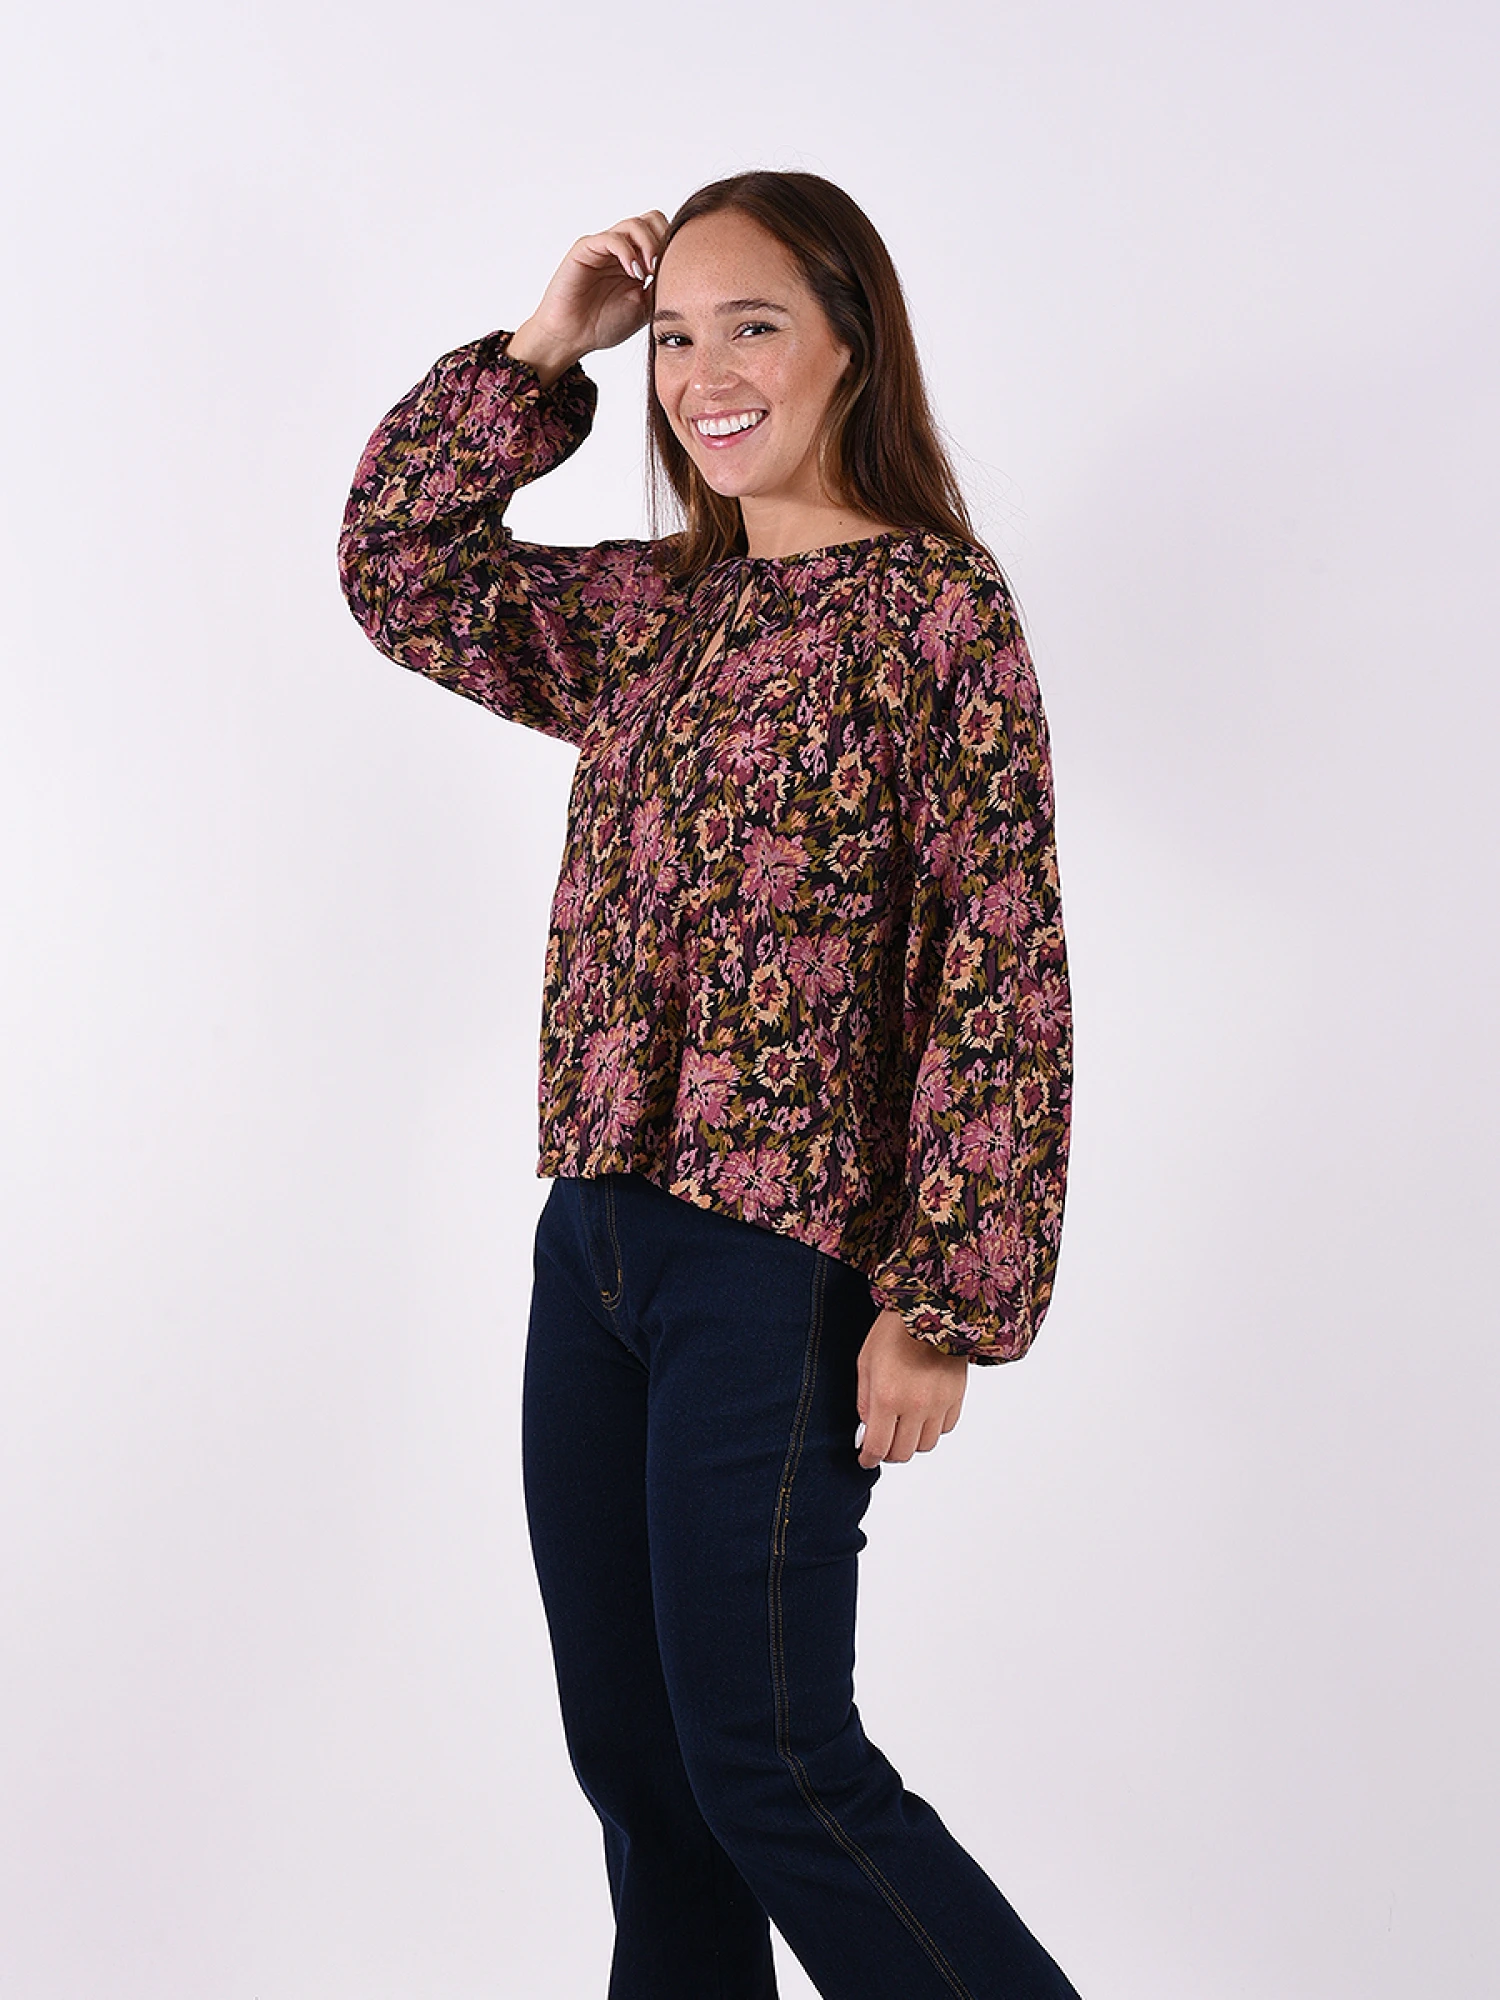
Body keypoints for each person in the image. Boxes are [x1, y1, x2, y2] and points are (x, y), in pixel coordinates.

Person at [338, 170, 1078, 2000]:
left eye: (753, 325)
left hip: (783, 1256)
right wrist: (543, 351)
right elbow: (400, 569)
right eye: (677, 336)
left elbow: (997, 959)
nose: (703, 374)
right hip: (595, 1244)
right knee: (647, 1778)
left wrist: (944, 1298)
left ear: (851, 345)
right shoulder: (658, 610)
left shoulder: (934, 613)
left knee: (774, 1768)